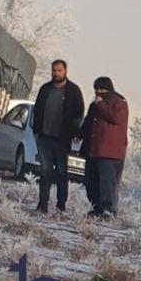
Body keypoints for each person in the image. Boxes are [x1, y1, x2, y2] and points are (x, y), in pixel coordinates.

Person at [31, 60, 85, 213]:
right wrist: (36, 131)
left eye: (59, 70)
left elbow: (79, 113)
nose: (56, 73)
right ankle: (42, 205)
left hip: (62, 139)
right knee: (45, 171)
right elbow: (37, 110)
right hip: (44, 138)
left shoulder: (73, 91)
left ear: (65, 71)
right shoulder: (45, 89)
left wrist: (74, 131)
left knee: (62, 172)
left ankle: (61, 205)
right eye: (54, 70)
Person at [82, 77, 129, 217]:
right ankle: (97, 208)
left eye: (101, 89)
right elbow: (88, 122)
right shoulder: (94, 105)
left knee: (107, 183)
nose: (98, 92)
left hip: (110, 152)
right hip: (93, 150)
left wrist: (101, 105)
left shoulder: (120, 103)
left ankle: (109, 210)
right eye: (96, 89)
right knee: (90, 182)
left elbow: (116, 119)